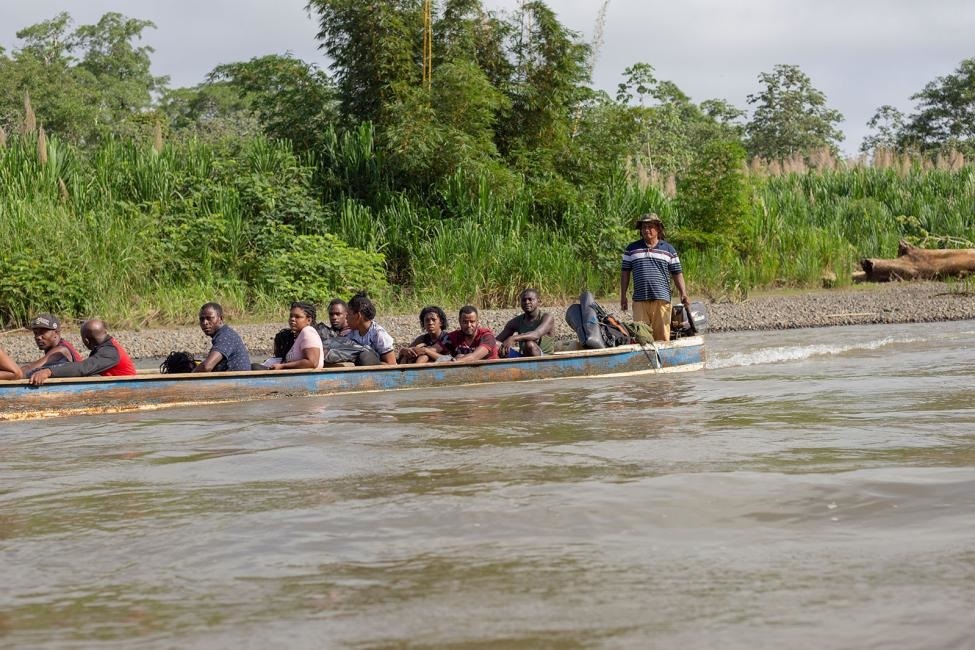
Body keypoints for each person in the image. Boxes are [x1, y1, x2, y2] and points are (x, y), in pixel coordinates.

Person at [620, 213, 690, 342]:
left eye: (650, 226)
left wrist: (683, 293)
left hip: (661, 299)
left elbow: (677, 273)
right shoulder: (631, 249)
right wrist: (623, 296)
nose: (646, 230)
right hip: (640, 300)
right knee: (641, 338)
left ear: (658, 229)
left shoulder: (669, 249)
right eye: (643, 227)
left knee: (662, 338)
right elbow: (625, 273)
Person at [29, 319, 136, 385]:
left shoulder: (110, 352)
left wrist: (49, 372)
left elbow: (83, 368)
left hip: (128, 389)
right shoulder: (107, 348)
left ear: (86, 340)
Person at [422, 305, 498, 362]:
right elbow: (431, 350)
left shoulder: (486, 336)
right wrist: (424, 351)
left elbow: (474, 357)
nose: (469, 325)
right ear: (459, 321)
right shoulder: (453, 337)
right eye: (465, 322)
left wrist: (454, 361)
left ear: (477, 322)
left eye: (472, 322)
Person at [20, 313, 83, 377]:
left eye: (42, 332)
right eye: (35, 333)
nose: (38, 337)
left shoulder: (60, 351)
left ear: (56, 333)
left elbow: (30, 368)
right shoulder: (54, 347)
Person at [193, 302, 251, 373]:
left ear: (221, 318)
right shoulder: (223, 334)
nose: (205, 322)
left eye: (209, 318)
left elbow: (207, 367)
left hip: (236, 379)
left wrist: (188, 376)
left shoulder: (226, 336)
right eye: (202, 319)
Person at [496, 289, 555, 357]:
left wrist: (513, 338)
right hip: (522, 357)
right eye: (524, 300)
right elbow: (497, 340)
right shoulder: (515, 322)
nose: (527, 302)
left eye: (530, 299)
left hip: (544, 358)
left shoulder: (547, 317)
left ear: (538, 301)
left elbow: (536, 334)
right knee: (495, 344)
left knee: (529, 344)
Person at [268, 301, 323, 370]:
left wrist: (283, 366)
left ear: (308, 320)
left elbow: (312, 362)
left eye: (297, 317)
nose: (292, 319)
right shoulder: (299, 335)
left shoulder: (308, 332)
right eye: (291, 316)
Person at [345, 292, 396, 365]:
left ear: (358, 316)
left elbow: (391, 364)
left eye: (348, 314)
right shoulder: (351, 334)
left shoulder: (378, 334)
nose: (346, 318)